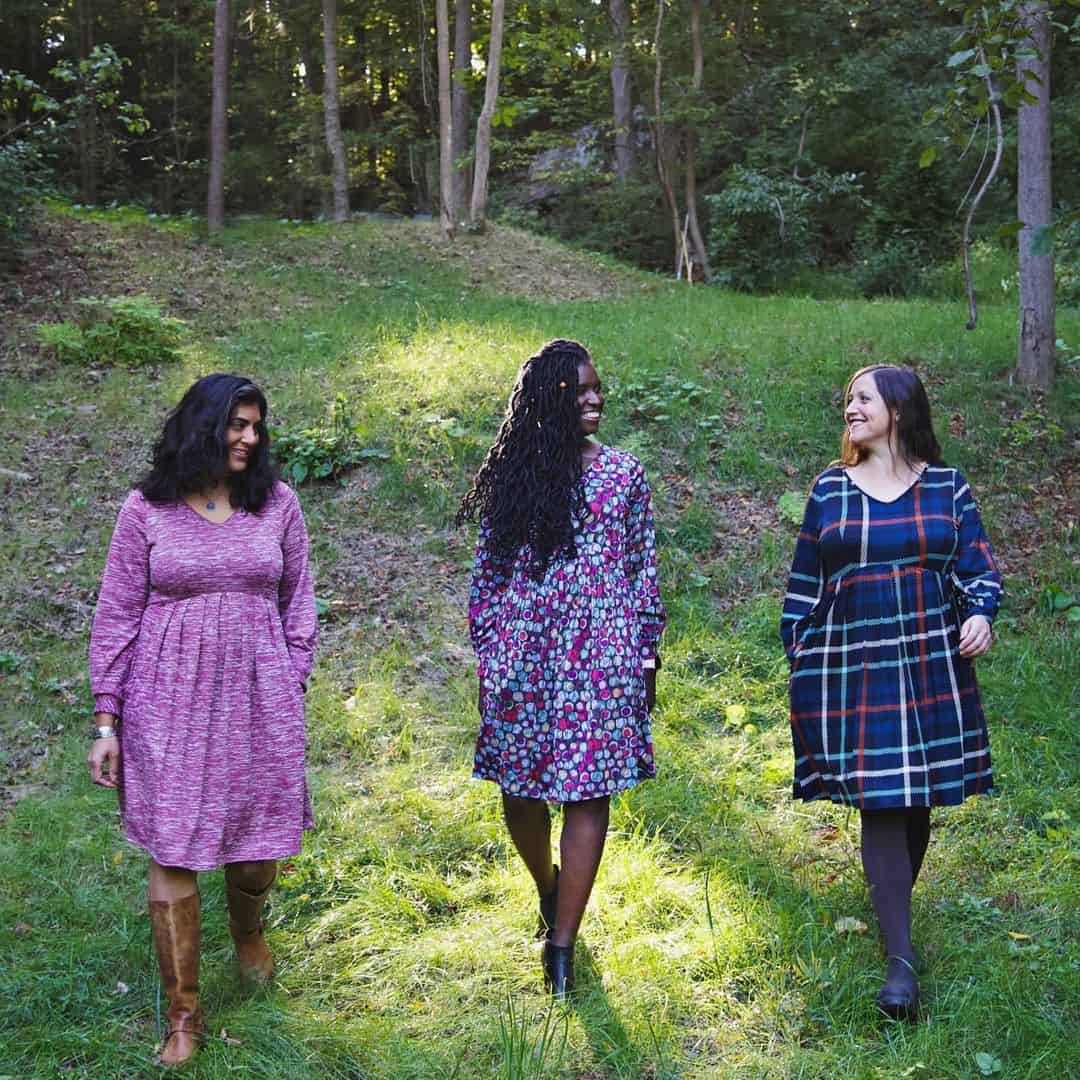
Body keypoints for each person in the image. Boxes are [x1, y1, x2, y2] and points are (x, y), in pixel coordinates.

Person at [87, 373, 317, 1066]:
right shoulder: (146, 511)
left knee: (256, 843)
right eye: (236, 425)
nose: (250, 437)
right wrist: (108, 720)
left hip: (259, 701)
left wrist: (289, 677)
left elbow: (298, 604)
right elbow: (117, 613)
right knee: (175, 846)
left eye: (256, 426)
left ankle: (247, 930)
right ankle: (185, 1014)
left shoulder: (277, 505)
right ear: (201, 427)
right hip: (168, 707)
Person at [781, 364, 1000, 1020]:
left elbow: (977, 569)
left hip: (930, 662)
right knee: (883, 799)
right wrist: (802, 651)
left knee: (917, 798)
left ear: (899, 409)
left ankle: (895, 926)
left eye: (863, 398)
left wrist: (981, 613)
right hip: (854, 666)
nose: (850, 407)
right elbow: (803, 587)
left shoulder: (947, 489)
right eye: (847, 398)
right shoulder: (830, 491)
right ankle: (900, 961)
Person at [458, 339, 665, 999]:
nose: (595, 399)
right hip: (526, 657)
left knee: (588, 793)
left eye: (598, 388)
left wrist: (647, 646)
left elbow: (641, 570)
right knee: (518, 791)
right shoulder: (515, 480)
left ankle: (563, 943)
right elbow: (487, 576)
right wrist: (491, 648)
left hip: (603, 657)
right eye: (579, 391)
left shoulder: (624, 476)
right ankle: (548, 885)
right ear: (549, 400)